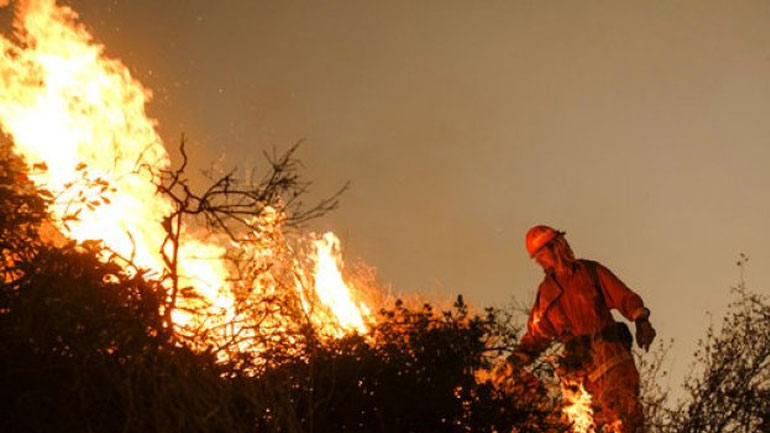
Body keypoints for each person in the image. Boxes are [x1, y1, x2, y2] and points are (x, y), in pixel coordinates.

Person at [508, 225, 656, 433]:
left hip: (611, 362)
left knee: (626, 423)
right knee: (580, 426)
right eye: (535, 257)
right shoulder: (547, 293)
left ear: (556, 247)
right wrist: (515, 360)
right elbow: (536, 335)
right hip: (578, 375)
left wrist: (641, 320)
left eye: (541, 253)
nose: (539, 260)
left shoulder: (590, 272)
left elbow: (625, 297)